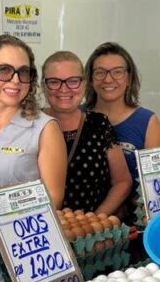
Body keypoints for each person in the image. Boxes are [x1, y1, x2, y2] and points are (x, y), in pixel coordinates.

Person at [0, 35, 67, 209]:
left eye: (23, 72)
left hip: (21, 232)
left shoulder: (45, 128)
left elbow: (53, 199)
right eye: (4, 70)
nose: (15, 80)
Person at [42, 51, 131, 215]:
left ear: (83, 84)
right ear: (43, 86)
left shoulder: (99, 125)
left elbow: (122, 181)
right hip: (40, 234)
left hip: (94, 235)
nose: (64, 89)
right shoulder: (29, 125)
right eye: (54, 82)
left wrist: (96, 219)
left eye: (73, 81)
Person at [84, 42, 160, 210]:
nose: (108, 79)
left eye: (117, 72)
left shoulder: (147, 121)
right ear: (91, 79)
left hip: (133, 223)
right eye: (100, 72)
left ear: (129, 78)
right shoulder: (76, 117)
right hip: (82, 220)